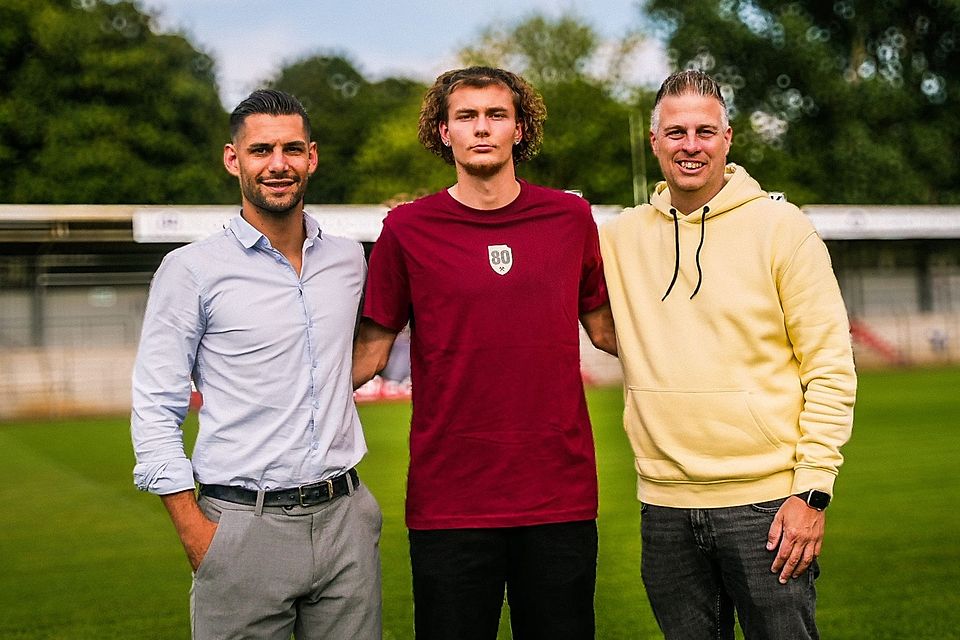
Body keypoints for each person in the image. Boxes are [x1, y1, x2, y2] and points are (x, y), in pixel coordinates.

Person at [353, 66, 617, 640]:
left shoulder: (570, 219)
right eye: (466, 116)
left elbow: (608, 331)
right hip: (450, 500)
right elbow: (368, 356)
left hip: (558, 496)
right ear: (442, 132)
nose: (481, 128)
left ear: (520, 129)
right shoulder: (407, 228)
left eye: (496, 115)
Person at [599, 69, 857, 639]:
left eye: (704, 131)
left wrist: (813, 491)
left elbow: (831, 367)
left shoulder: (782, 228)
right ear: (654, 142)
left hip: (767, 504)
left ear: (728, 138)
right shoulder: (618, 237)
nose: (690, 145)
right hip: (662, 505)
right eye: (676, 132)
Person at [130, 89, 381, 640]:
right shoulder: (190, 269)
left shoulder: (347, 260)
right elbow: (154, 406)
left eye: (292, 149)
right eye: (261, 149)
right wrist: (195, 531)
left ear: (312, 157)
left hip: (346, 520)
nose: (278, 164)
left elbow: (359, 353)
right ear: (233, 158)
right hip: (241, 525)